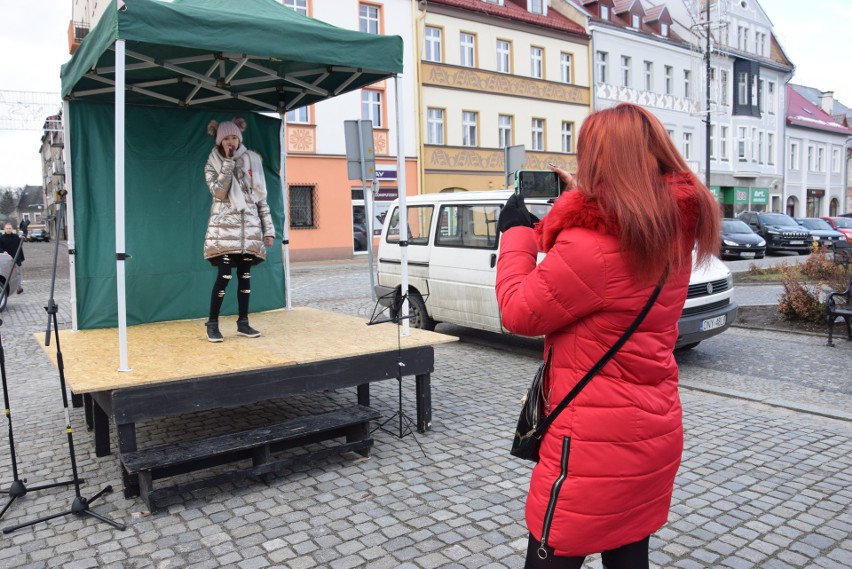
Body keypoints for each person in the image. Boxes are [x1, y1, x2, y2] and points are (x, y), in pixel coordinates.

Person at [496, 103, 720, 568]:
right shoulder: (670, 233)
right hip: (650, 431)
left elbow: (518, 311)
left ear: (600, 162)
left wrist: (516, 234)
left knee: (551, 554)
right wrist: (582, 202)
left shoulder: (592, 246)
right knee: (628, 548)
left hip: (591, 445)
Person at [203, 118, 275, 343]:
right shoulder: (212, 163)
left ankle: (243, 323)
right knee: (224, 276)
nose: (231, 142)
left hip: (249, 230)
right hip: (224, 231)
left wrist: (268, 230)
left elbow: (261, 198)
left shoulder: (252, 160)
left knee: (245, 277)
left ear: (239, 138)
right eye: (226, 138)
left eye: (234, 137)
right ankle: (212, 324)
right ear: (219, 141)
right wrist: (229, 163)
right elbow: (219, 193)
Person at [0, 222, 25, 294]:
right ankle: (8, 287)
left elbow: (21, 243)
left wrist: (23, 235)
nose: (8, 230)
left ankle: (19, 287)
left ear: (12, 229)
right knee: (7, 274)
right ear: (4, 229)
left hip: (16, 257)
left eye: (9, 228)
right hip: (6, 259)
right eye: (7, 228)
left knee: (18, 273)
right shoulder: (1, 238)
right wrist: (3, 251)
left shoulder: (16, 237)